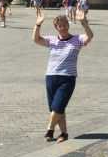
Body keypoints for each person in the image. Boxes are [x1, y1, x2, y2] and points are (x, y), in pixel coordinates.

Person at [32, 9, 93, 143]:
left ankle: (50, 129)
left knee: (57, 106)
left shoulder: (77, 39)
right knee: (57, 108)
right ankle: (64, 133)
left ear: (68, 25)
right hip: (51, 76)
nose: (63, 28)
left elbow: (89, 36)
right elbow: (36, 39)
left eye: (65, 25)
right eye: (60, 26)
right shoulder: (52, 40)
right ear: (56, 27)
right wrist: (38, 25)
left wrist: (84, 23)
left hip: (68, 78)